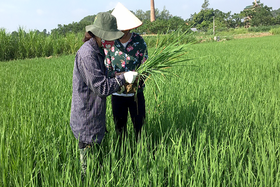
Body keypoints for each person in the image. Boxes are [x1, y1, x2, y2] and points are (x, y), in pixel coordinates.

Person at [69, 12, 138, 177]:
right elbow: (101, 88)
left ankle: (94, 175)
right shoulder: (88, 54)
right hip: (86, 115)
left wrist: (118, 75)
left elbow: (104, 76)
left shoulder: (98, 49)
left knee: (95, 155)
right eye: (110, 37)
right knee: (86, 160)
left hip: (94, 111)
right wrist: (123, 78)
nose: (113, 41)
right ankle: (85, 179)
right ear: (100, 35)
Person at [104, 3, 148, 141]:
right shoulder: (108, 43)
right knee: (120, 130)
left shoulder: (139, 41)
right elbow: (106, 70)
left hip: (136, 94)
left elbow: (147, 66)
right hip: (117, 93)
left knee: (140, 129)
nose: (122, 32)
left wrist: (139, 76)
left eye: (125, 29)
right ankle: (123, 156)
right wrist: (118, 76)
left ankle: (141, 155)